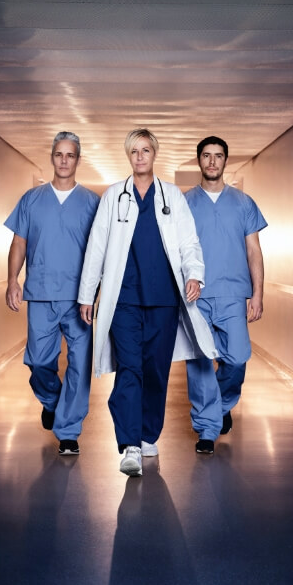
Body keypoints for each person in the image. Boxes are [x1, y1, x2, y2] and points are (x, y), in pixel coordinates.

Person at [78, 128, 218, 477]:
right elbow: (96, 246)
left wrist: (193, 275)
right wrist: (87, 294)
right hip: (123, 300)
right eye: (134, 151)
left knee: (155, 371)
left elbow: (189, 243)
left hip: (164, 300)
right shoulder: (115, 196)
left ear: (154, 154)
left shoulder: (172, 196)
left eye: (145, 150)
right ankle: (129, 444)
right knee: (130, 370)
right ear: (129, 156)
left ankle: (147, 433)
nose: (140, 157)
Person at [4, 131, 100, 456]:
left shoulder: (92, 203)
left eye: (70, 155)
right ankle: (52, 401)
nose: (63, 160)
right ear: (52, 157)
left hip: (79, 299)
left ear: (77, 159)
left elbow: (100, 253)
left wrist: (98, 293)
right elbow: (19, 242)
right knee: (40, 362)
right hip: (41, 295)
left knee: (79, 364)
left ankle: (69, 432)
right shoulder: (31, 199)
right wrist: (12, 280)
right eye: (58, 154)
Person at [185, 136, 267, 446]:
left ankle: (220, 406)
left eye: (218, 156)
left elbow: (254, 251)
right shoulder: (185, 203)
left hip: (234, 295)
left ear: (225, 161)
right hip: (196, 297)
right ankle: (207, 429)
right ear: (199, 161)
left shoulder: (243, 203)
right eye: (206, 156)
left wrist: (258, 293)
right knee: (201, 363)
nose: (212, 162)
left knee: (236, 360)